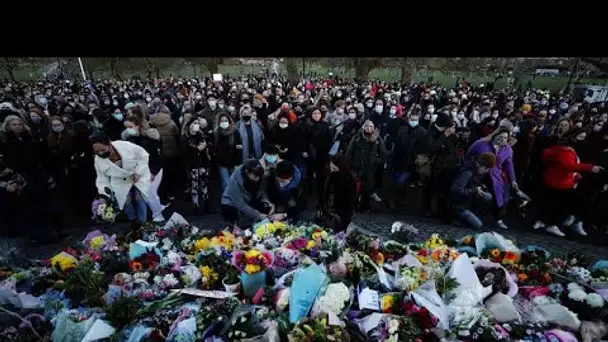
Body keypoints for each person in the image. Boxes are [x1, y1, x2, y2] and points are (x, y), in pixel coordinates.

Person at [533, 130, 604, 237]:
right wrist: (590, 167)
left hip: (555, 180)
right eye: (580, 136)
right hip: (561, 183)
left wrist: (575, 175)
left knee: (550, 204)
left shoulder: (560, 149)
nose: (583, 139)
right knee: (558, 205)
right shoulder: (566, 151)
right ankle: (552, 224)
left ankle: (542, 222)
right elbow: (569, 166)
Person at [90, 132, 151, 229]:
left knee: (139, 198)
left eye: (103, 150)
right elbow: (102, 179)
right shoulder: (98, 160)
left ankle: (144, 224)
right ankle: (134, 221)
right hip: (120, 181)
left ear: (109, 143)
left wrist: (138, 171)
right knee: (126, 202)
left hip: (137, 176)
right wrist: (104, 195)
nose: (100, 153)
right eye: (97, 152)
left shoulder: (124, 145)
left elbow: (143, 155)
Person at [466, 127, 517, 230]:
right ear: (495, 135)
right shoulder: (481, 143)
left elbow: (509, 164)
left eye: (505, 138)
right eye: (500, 137)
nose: (502, 139)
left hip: (495, 174)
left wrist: (513, 180)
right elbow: (469, 154)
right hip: (478, 172)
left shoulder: (507, 149)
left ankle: (498, 219)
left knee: (499, 195)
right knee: (475, 192)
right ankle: (472, 214)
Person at [122, 115, 165, 223]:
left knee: (150, 193)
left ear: (137, 126)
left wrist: (152, 172)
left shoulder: (149, 140)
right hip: (138, 172)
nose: (128, 129)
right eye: (126, 127)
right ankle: (152, 212)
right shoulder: (127, 141)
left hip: (152, 169)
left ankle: (158, 215)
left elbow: (158, 158)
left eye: (130, 127)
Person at [346, 119, 387, 212]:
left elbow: (383, 153)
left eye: (371, 127)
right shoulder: (357, 138)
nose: (369, 128)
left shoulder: (377, 139)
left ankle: (365, 206)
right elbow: (349, 151)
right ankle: (353, 205)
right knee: (355, 187)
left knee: (367, 188)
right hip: (357, 166)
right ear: (363, 127)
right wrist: (349, 163)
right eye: (367, 126)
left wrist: (377, 161)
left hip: (371, 168)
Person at [221, 159, 274, 226]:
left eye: (259, 177)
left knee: (265, 207)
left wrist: (268, 202)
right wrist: (258, 215)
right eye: (255, 177)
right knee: (231, 213)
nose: (257, 179)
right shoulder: (235, 180)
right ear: (247, 172)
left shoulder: (259, 173)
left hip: (250, 198)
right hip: (232, 203)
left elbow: (263, 191)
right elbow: (240, 204)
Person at [450, 152, 496, 229]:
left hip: (467, 202)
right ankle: (456, 218)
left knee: (487, 196)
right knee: (478, 225)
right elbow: (456, 190)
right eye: (487, 170)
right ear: (484, 167)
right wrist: (474, 190)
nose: (487, 172)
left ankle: (472, 213)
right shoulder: (468, 173)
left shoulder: (476, 170)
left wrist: (479, 189)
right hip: (458, 206)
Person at [149, 103, 182, 203]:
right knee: (169, 175)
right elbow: (177, 136)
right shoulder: (171, 123)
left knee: (160, 176)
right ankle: (169, 194)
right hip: (171, 153)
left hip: (158, 153)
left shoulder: (151, 122)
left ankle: (159, 194)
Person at [317, 154, 358, 232]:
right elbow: (325, 193)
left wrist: (337, 215)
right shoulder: (330, 176)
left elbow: (349, 201)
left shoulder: (350, 181)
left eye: (334, 168)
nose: (331, 170)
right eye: (331, 167)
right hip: (329, 212)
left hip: (341, 214)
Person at [301, 107, 333, 197]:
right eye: (314, 113)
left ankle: (321, 192)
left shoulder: (324, 124)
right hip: (310, 152)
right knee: (309, 173)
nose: (316, 115)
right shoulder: (306, 125)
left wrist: (327, 149)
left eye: (318, 113)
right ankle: (309, 191)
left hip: (322, 152)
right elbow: (303, 139)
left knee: (321, 174)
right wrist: (304, 150)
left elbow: (329, 138)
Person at [182, 117, 212, 214]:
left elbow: (206, 149)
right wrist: (198, 149)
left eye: (197, 123)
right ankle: (196, 206)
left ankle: (206, 206)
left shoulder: (201, 135)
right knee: (194, 186)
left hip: (202, 164)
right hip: (192, 165)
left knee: (204, 186)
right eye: (194, 123)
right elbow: (187, 152)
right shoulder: (185, 137)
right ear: (189, 124)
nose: (196, 125)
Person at [213, 112, 243, 191]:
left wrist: (239, 162)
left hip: (234, 161)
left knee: (234, 182)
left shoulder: (235, 132)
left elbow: (239, 147)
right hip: (222, 162)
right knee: (225, 182)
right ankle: (227, 199)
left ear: (229, 121)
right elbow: (215, 148)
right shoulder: (216, 133)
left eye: (226, 121)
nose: (224, 123)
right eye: (222, 121)